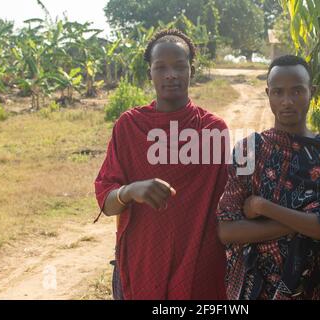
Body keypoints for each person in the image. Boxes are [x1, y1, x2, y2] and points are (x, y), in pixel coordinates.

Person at [94, 29, 228, 300]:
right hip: (141, 262)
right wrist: (130, 191)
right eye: (161, 67)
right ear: (150, 74)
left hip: (200, 267)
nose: (171, 75)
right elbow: (107, 204)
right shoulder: (129, 126)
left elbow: (227, 205)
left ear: (192, 70)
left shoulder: (212, 129)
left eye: (180, 66)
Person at [217, 55, 320, 300]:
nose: (287, 101)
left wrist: (264, 207)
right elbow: (227, 230)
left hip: (316, 287)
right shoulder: (249, 152)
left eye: (297, 91)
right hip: (259, 289)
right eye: (278, 92)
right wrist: (306, 222)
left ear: (312, 92)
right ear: (268, 93)